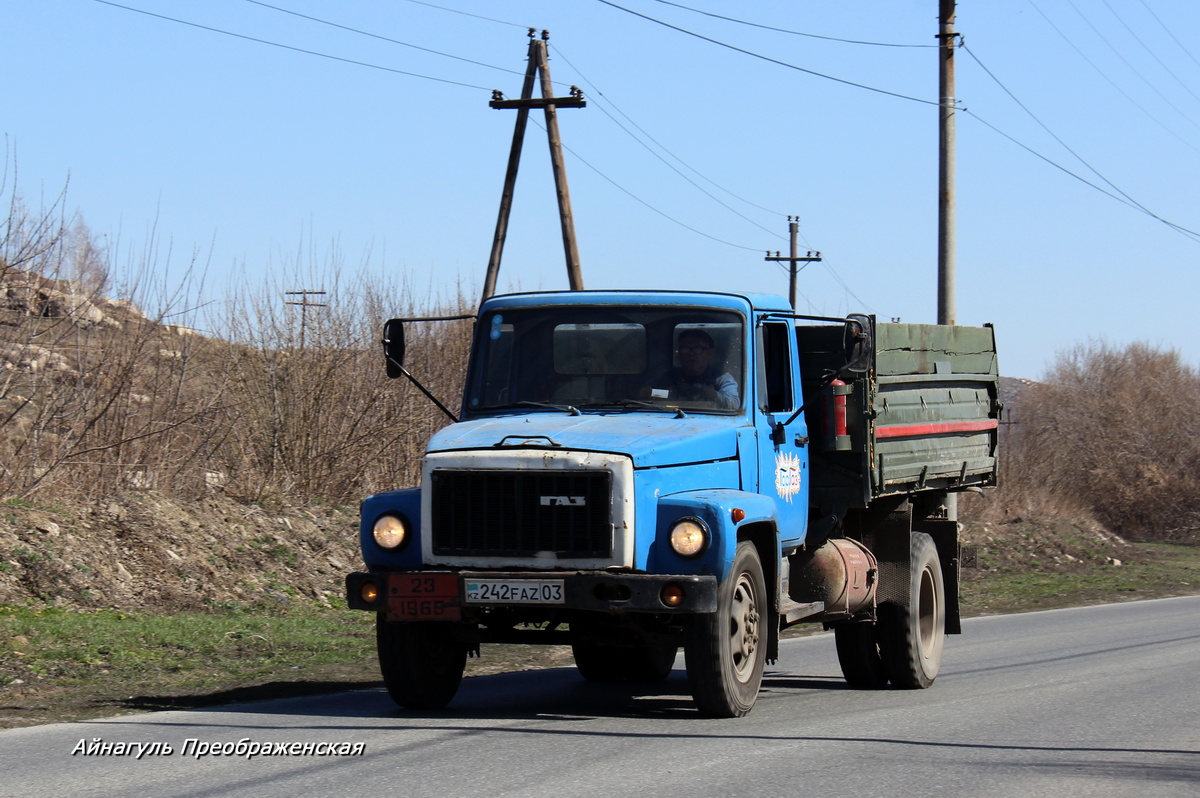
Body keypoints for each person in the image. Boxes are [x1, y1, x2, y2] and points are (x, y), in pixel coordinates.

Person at [647, 329, 739, 409]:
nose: (691, 354)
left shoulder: (721, 379)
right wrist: (648, 393)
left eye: (697, 348)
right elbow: (657, 394)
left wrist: (714, 395)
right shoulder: (669, 377)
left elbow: (734, 404)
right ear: (679, 354)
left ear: (709, 353)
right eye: (685, 349)